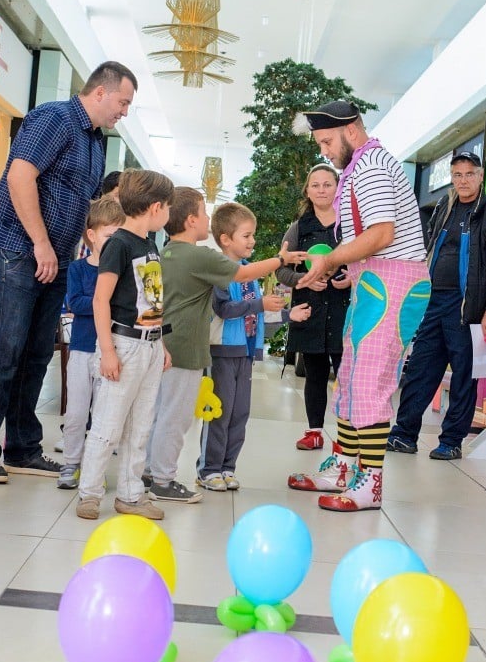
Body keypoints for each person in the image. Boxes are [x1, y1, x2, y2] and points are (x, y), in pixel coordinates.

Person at [0, 61, 137, 484]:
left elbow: (83, 206)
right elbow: (21, 176)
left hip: (56, 258)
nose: (124, 111)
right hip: (16, 248)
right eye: (123, 102)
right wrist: (41, 242)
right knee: (6, 347)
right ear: (101, 92)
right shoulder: (54, 118)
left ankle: (23, 448)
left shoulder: (96, 142)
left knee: (37, 352)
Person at [288, 99, 430, 512]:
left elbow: (383, 234)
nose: (325, 152)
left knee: (369, 382)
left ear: (351, 130)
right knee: (350, 377)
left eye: (327, 141)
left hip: (393, 282)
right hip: (376, 280)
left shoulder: (370, 168)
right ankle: (343, 467)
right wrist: (349, 269)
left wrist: (331, 259)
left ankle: (370, 483)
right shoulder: (362, 166)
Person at [144, 189, 307, 504]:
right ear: (193, 221)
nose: (206, 218)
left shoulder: (171, 254)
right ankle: (174, 476)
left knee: (217, 413)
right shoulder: (205, 259)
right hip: (196, 350)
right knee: (181, 416)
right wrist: (281, 260)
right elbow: (237, 288)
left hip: (196, 349)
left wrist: (284, 313)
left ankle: (173, 471)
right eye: (204, 213)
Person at [387, 150, 486, 460]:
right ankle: (404, 434)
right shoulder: (444, 205)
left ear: (481, 176)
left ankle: (451, 441)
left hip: (469, 308)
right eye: (458, 175)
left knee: (464, 375)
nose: (463, 180)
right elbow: (426, 248)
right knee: (420, 369)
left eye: (470, 174)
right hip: (433, 301)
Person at [76, 169, 174, 521]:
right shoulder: (118, 244)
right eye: (168, 209)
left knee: (141, 424)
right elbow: (101, 300)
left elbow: (150, 299)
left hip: (149, 343)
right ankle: (89, 492)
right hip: (124, 344)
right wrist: (107, 350)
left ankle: (131, 494)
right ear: (155, 207)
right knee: (108, 422)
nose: (168, 216)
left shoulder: (150, 243)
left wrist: (160, 343)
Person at [196, 202, 310, 491]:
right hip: (221, 352)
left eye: (252, 235)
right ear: (225, 239)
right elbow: (223, 308)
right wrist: (260, 303)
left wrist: (287, 315)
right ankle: (208, 469)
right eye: (246, 236)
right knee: (218, 412)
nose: (252, 241)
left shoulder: (250, 272)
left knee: (239, 413)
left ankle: (227, 467)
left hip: (245, 354)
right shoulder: (221, 272)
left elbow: (257, 311)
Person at [276, 164, 351, 450]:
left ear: (338, 187)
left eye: (327, 184)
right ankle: (314, 432)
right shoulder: (298, 228)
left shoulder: (351, 226)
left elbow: (369, 266)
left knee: (346, 375)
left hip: (345, 311)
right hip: (310, 311)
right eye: (315, 185)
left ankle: (347, 437)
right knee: (315, 375)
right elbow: (280, 270)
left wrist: (351, 280)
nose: (321, 190)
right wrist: (303, 281)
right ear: (307, 191)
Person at [56, 196, 125, 490]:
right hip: (82, 350)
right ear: (93, 235)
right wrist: (102, 301)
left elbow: (120, 306)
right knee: (75, 412)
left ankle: (94, 469)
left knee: (103, 416)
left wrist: (98, 302)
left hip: (110, 351)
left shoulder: (121, 273)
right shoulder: (77, 269)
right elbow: (75, 302)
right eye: (110, 235)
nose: (114, 242)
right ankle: (71, 463)